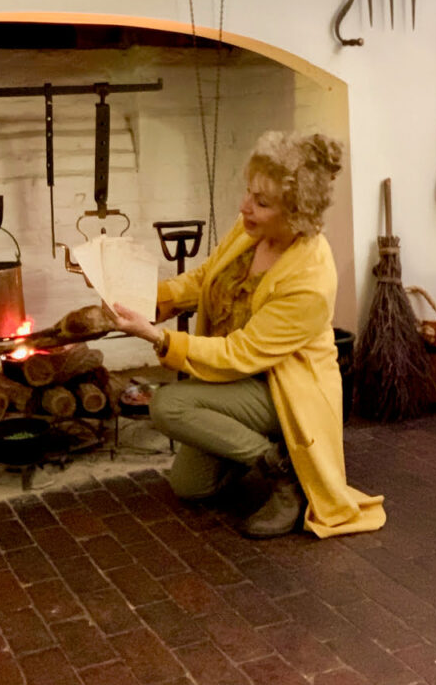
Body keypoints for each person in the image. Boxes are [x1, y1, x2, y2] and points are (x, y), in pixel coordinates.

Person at [110, 130, 386, 540]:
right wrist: (146, 299)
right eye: (248, 193)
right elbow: (206, 278)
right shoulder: (251, 231)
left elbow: (242, 354)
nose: (245, 207)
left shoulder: (310, 277)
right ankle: (255, 450)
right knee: (190, 486)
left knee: (168, 405)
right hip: (237, 383)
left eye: (261, 202)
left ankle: (284, 474)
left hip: (283, 391)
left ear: (296, 213)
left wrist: (158, 339)